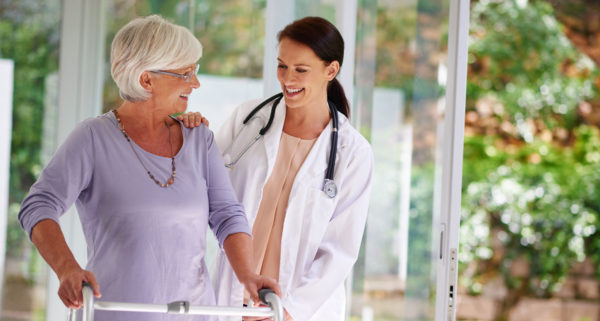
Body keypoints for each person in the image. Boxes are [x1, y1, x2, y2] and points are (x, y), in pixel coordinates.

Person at [18, 15, 278, 321]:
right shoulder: (92, 138)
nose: (195, 83)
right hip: (117, 313)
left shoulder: (199, 139)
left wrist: (247, 275)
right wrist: (67, 269)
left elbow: (227, 215)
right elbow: (38, 205)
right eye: (185, 73)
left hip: (194, 313)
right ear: (146, 80)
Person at [180, 16, 373, 321]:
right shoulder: (248, 120)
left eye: (301, 70)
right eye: (282, 66)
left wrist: (289, 311)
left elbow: (339, 250)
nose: (287, 79)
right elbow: (200, 188)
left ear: (331, 70)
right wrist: (191, 136)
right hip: (232, 297)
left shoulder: (353, 152)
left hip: (298, 310)